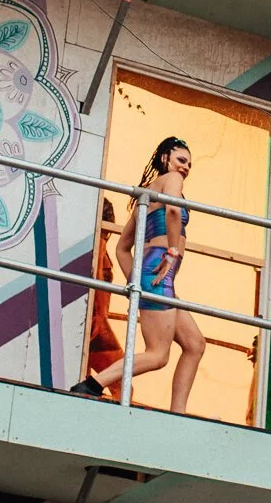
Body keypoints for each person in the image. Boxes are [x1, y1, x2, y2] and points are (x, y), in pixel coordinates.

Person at [70, 137, 207, 411]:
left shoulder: (146, 193)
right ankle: (93, 384)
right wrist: (171, 251)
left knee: (195, 344)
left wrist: (137, 282)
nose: (186, 168)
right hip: (160, 273)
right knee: (157, 355)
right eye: (181, 160)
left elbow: (122, 248)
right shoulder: (172, 181)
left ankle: (177, 413)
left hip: (153, 276)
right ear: (166, 158)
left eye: (190, 164)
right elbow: (171, 210)